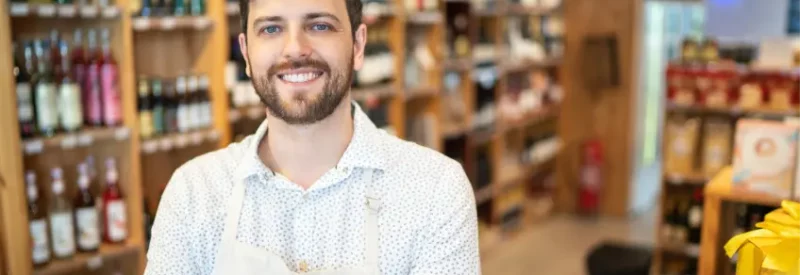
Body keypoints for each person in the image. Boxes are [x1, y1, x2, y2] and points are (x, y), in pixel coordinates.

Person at [143, 0, 480, 274]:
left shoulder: (434, 190)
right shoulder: (193, 194)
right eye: (271, 28)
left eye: (319, 25)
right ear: (246, 54)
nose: (295, 49)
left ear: (358, 45)